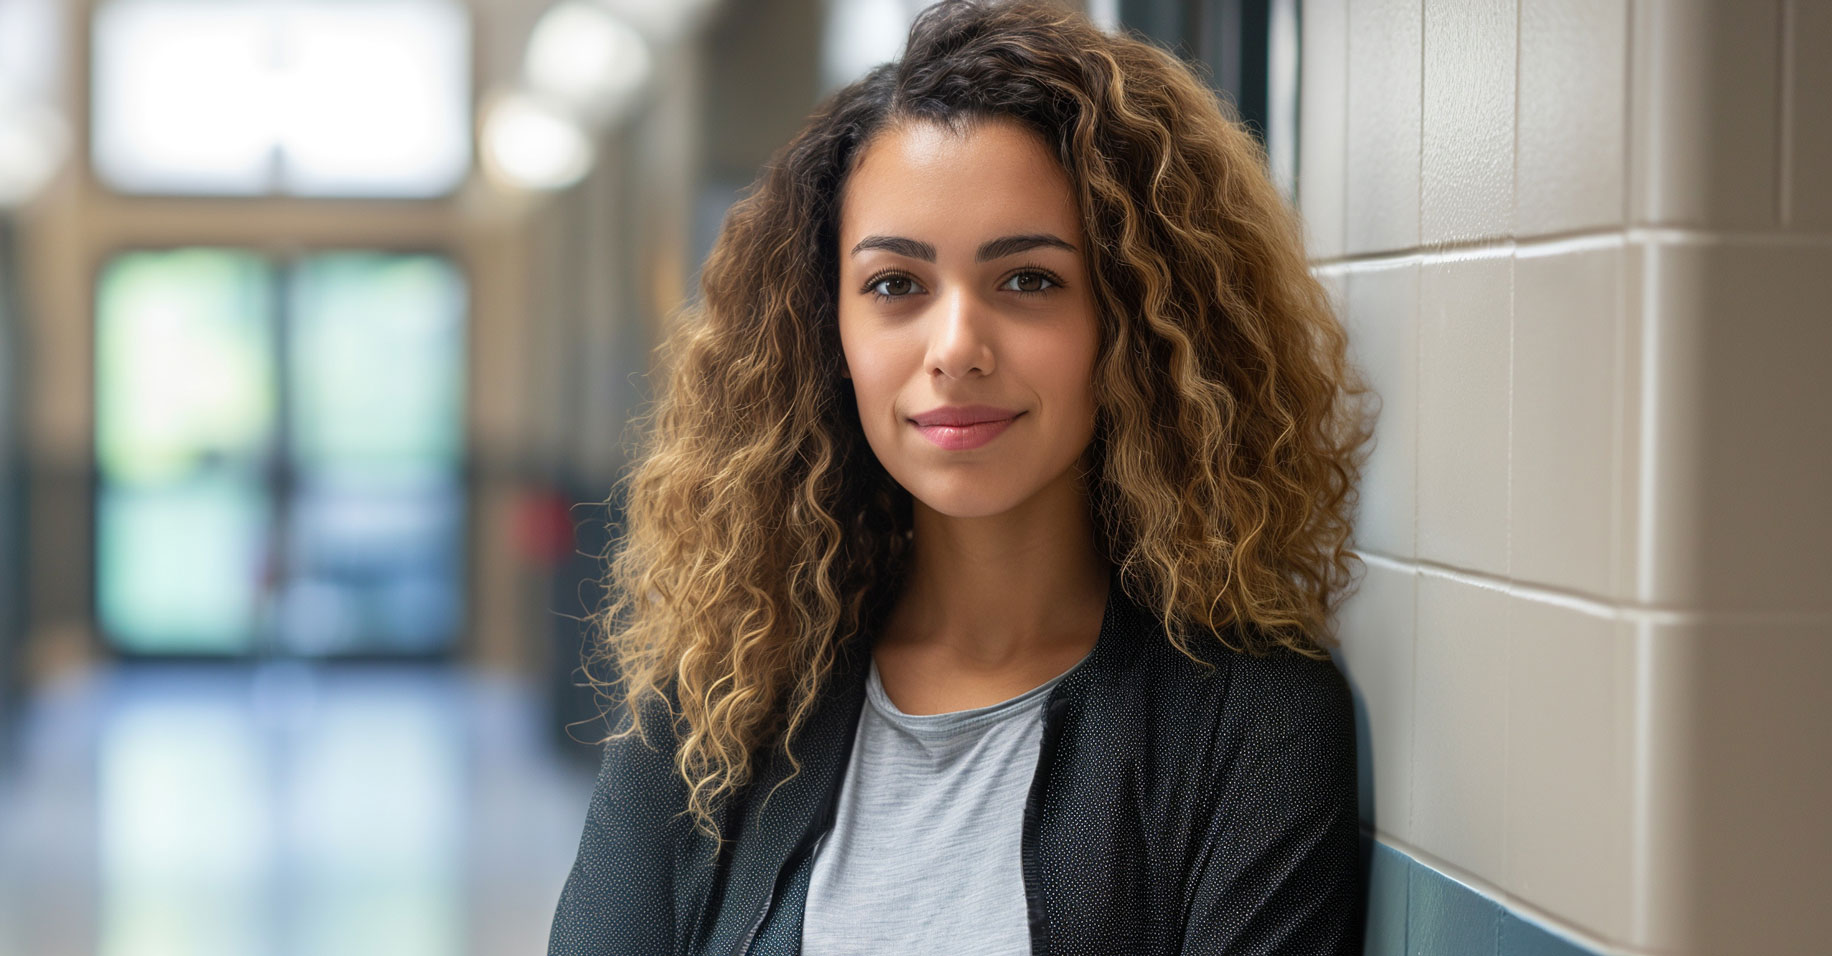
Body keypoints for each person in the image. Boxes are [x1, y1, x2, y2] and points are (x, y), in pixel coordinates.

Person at [546, 1, 1369, 954]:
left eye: (1028, 279)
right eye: (896, 284)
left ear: (1133, 319)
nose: (956, 348)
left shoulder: (1249, 718)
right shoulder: (718, 705)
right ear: (830, 331)